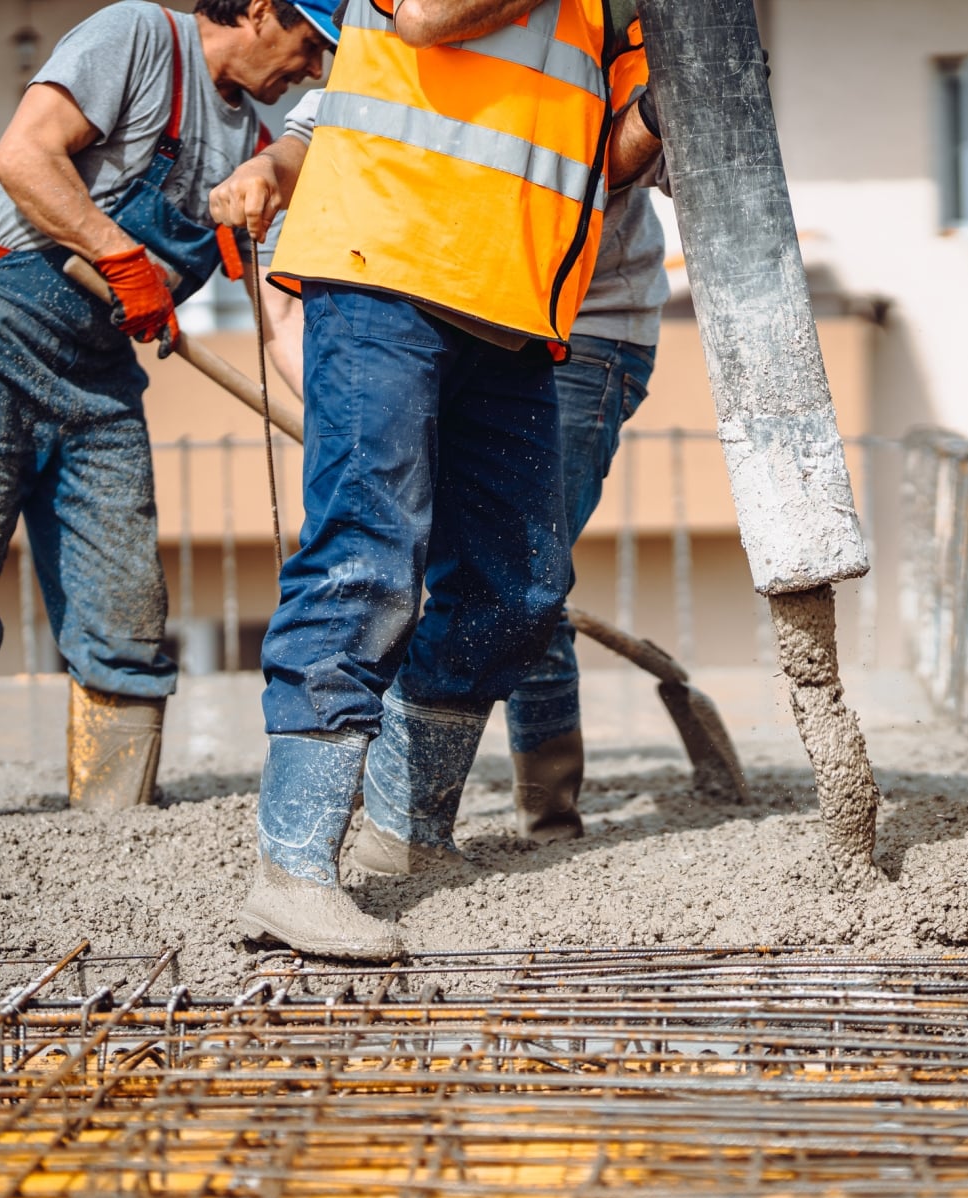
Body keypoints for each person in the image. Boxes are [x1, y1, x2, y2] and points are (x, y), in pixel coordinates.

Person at [213, 0, 662, 960]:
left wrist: (668, 109)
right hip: (386, 258)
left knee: (518, 585)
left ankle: (410, 835)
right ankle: (293, 870)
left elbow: (610, 152)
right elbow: (427, 17)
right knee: (366, 559)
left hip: (516, 301)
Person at [0, 0, 335, 827]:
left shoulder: (255, 152)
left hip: (98, 373)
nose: (312, 71)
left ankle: (114, 827)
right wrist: (120, 253)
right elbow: (25, 158)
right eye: (310, 47)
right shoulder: (138, 37)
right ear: (264, 10)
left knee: (126, 610)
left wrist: (346, 433)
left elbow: (281, 318)